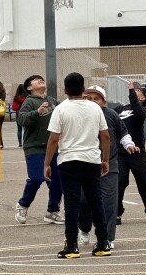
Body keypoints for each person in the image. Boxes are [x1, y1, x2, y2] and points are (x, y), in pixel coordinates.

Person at [43, 72, 111, 258]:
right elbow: (104, 135)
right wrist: (105, 159)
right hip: (91, 159)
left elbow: (53, 139)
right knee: (95, 201)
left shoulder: (61, 109)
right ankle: (103, 242)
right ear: (83, 89)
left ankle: (72, 245)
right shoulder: (94, 109)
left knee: (71, 203)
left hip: (69, 160)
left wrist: (47, 162)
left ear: (65, 90)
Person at [78, 85, 136, 249]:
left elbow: (123, 132)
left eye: (97, 98)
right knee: (83, 201)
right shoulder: (78, 115)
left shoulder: (110, 115)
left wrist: (128, 144)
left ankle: (107, 238)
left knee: (109, 202)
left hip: (109, 164)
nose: (92, 101)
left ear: (104, 102)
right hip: (84, 164)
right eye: (88, 99)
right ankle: (84, 227)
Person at [15, 74, 63, 225]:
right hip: (34, 147)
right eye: (37, 80)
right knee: (37, 178)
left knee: (57, 182)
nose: (41, 80)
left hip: (53, 147)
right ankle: (23, 204)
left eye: (42, 79)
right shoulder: (29, 102)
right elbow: (21, 120)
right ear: (29, 87)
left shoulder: (52, 101)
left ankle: (52, 211)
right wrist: (37, 112)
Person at [114, 81, 146, 224]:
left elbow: (138, 110)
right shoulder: (120, 109)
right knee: (120, 182)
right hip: (120, 153)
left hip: (137, 154)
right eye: (135, 90)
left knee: (144, 183)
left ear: (142, 98)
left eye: (138, 91)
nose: (134, 92)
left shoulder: (142, 110)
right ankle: (117, 212)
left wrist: (131, 91)